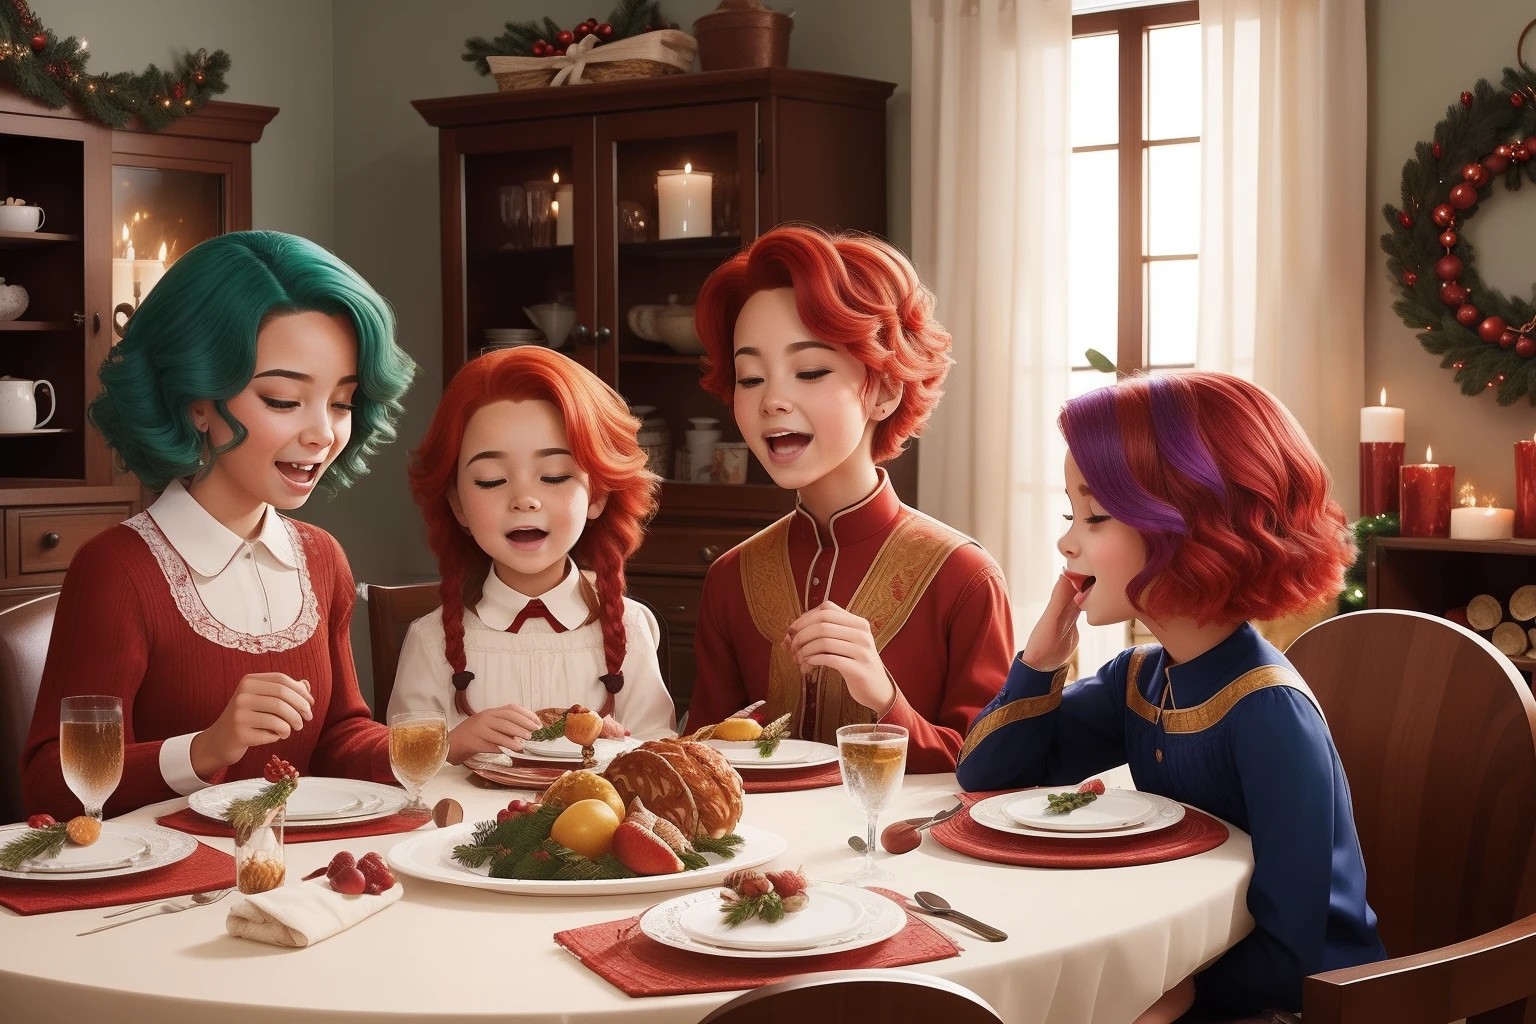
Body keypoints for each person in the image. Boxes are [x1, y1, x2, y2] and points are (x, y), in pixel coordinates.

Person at [956, 371, 1387, 1020]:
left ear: (1187, 530)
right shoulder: (1140, 678)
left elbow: (1296, 954)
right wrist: (1041, 658)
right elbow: (988, 778)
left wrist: (1166, 996)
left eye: (1095, 516)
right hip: (1192, 975)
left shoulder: (1270, 712)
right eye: (1070, 514)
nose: (1067, 542)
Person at [21, 231, 416, 816]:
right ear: (195, 402)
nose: (324, 434)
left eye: (341, 402)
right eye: (283, 400)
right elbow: (52, 784)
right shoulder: (118, 570)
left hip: (296, 880)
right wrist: (205, 749)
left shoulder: (321, 558)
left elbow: (338, 739)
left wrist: (438, 747)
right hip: (164, 894)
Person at [687, 225, 1014, 773]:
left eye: (810, 371)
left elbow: (997, 769)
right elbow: (702, 760)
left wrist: (883, 697)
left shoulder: (964, 577)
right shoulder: (730, 578)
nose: (772, 400)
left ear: (885, 390)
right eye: (750, 378)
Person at [386, 346, 675, 765]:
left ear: (596, 495)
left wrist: (620, 746)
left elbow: (658, 756)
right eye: (491, 480)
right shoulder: (430, 641)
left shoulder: (632, 628)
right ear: (457, 504)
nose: (524, 500)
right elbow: (403, 769)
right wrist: (454, 743)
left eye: (554, 476)